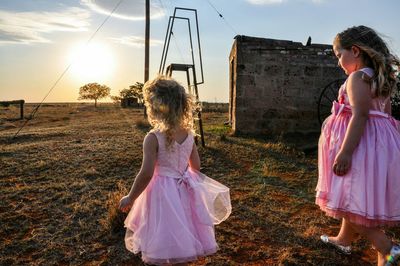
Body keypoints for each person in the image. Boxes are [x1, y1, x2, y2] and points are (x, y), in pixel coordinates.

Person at [118, 75, 232, 265]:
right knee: (184, 226)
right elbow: (196, 166)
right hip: (184, 187)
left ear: (155, 106)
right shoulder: (189, 134)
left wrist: (131, 197)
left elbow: (146, 173)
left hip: (161, 192)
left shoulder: (153, 137)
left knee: (163, 230)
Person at [315, 25, 400, 266]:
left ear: (354, 50)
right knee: (353, 196)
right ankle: (344, 239)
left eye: (339, 55)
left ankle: (390, 249)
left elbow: (360, 115)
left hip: (360, 147)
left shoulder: (356, 78)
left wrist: (345, 152)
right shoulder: (379, 78)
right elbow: (386, 116)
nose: (339, 61)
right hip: (378, 147)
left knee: (348, 200)